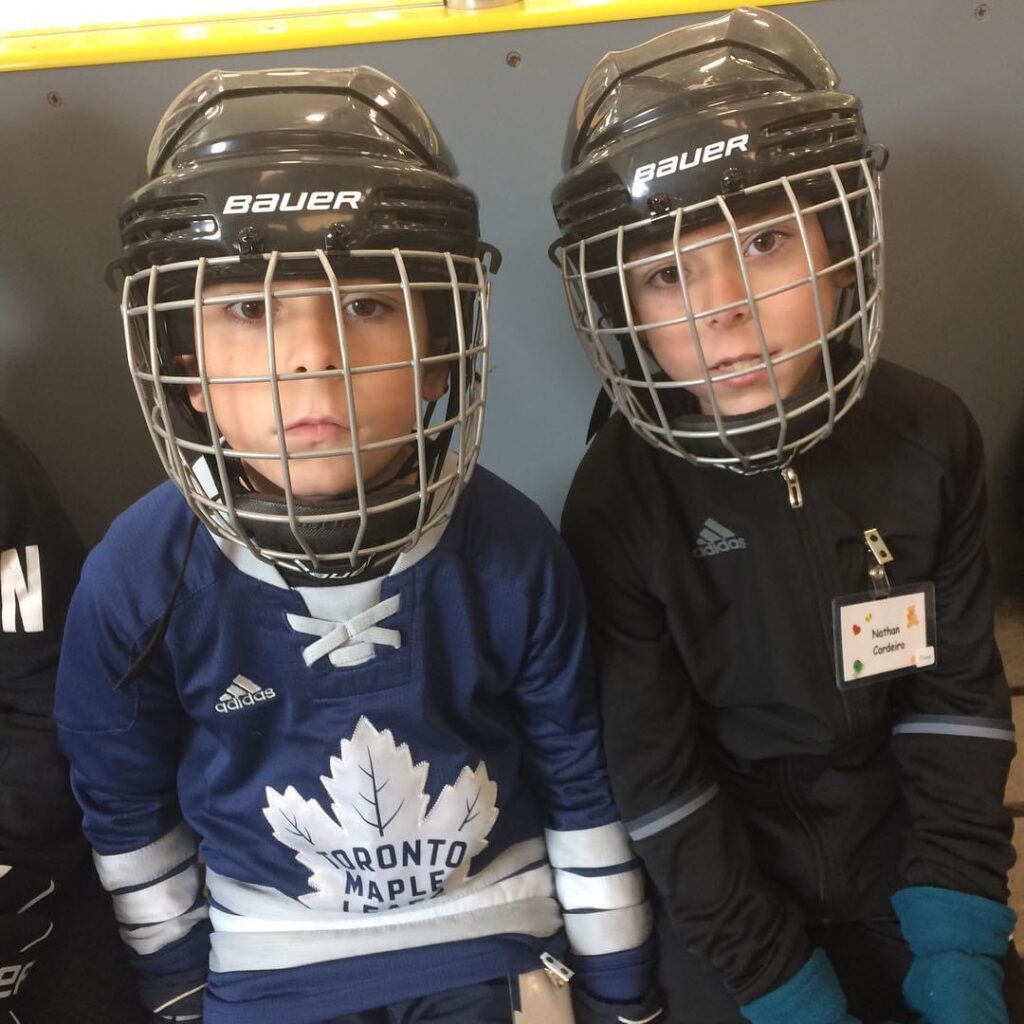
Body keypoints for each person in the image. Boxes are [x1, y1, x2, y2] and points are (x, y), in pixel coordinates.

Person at [54, 66, 660, 1024]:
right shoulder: (142, 573)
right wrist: (175, 989)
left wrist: (623, 992)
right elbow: (122, 796)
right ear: (187, 375)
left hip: (494, 934)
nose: (312, 353)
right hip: (268, 959)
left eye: (369, 303)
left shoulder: (509, 549)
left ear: (442, 349)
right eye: (251, 309)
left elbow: (579, 778)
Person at [549, 8, 1019, 1024]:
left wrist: (956, 934)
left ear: (839, 247)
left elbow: (954, 709)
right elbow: (658, 780)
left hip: (899, 853)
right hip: (724, 879)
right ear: (622, 308)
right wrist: (776, 980)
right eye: (667, 272)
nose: (724, 309)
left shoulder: (929, 434)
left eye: (762, 242)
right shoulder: (616, 500)